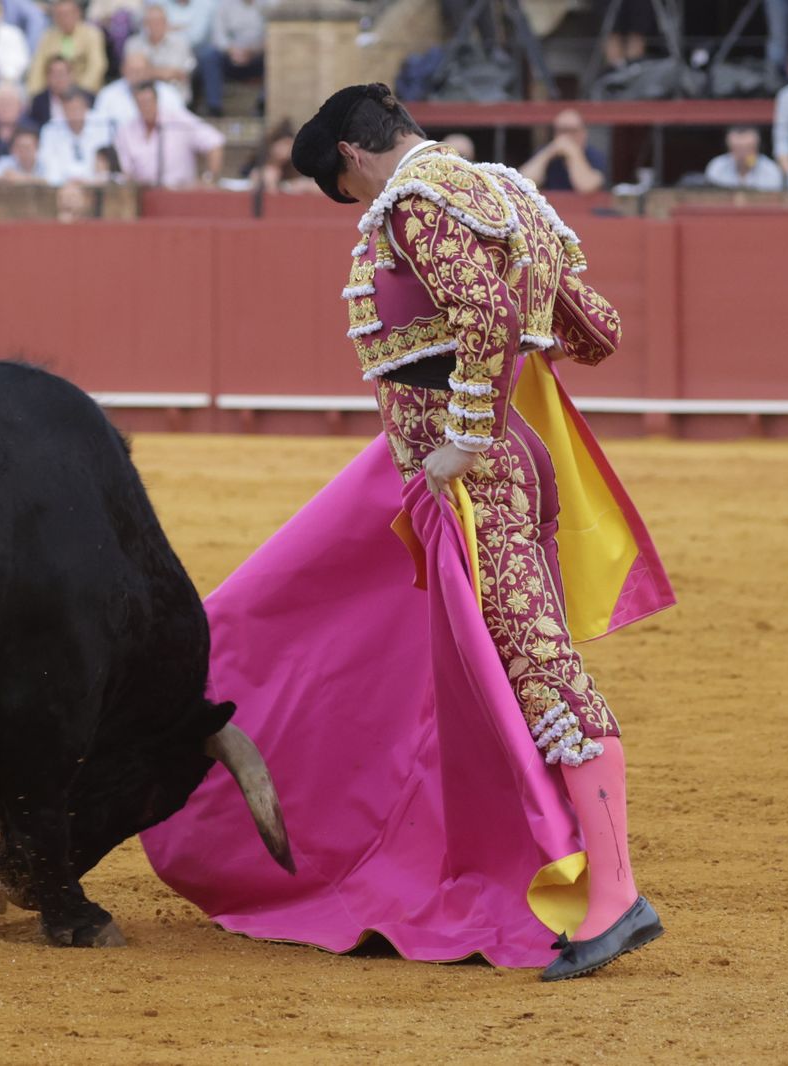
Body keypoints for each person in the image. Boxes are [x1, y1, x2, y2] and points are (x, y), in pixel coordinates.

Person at [155, 82, 669, 982]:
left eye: (342, 190)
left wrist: (465, 438)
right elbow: (595, 331)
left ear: (353, 156)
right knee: (518, 662)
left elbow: (487, 318)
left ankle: (617, 892)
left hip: (479, 479)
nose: (352, 207)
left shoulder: (415, 206)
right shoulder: (504, 192)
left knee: (539, 666)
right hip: (508, 461)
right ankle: (588, 875)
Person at [113, 77, 220, 186]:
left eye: (148, 101)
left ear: (156, 100)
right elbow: (127, 172)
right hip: (143, 193)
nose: (145, 107)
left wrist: (208, 179)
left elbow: (214, 141)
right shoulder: (126, 131)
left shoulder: (178, 120)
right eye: (141, 103)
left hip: (179, 192)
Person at [196, 0, 266, 117]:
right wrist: (232, 50)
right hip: (230, 57)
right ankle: (214, 108)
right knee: (209, 55)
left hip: (257, 56)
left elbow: (273, 36)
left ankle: (263, 105)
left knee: (275, 57)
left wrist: (253, 51)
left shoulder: (269, 5)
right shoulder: (225, 5)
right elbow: (218, 36)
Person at [25, 0, 104, 96]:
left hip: (83, 91)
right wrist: (35, 93)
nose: (63, 19)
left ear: (77, 14)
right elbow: (38, 66)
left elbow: (97, 66)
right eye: (59, 15)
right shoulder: (48, 36)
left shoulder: (92, 34)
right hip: (53, 92)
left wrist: (81, 92)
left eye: (67, 14)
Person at [518, 108, 606, 193]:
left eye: (573, 131)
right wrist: (548, 152)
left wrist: (573, 153)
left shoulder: (594, 155)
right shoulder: (545, 152)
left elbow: (587, 187)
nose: (567, 136)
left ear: (583, 133)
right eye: (562, 130)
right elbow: (522, 182)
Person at [125, 3, 192, 105]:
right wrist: (164, 72)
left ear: (166, 23)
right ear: (144, 24)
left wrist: (145, 71)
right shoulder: (133, 43)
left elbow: (179, 74)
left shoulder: (180, 42)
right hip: (140, 100)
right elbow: (130, 73)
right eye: (150, 22)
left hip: (175, 98)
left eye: (158, 22)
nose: (155, 26)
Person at [37, 86, 105, 184]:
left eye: (77, 108)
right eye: (69, 109)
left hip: (95, 186)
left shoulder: (101, 127)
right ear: (62, 109)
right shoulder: (50, 130)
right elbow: (48, 165)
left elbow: (104, 164)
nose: (74, 114)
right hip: (61, 188)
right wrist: (67, 182)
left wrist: (88, 180)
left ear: (86, 107)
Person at [704, 126, 783, 192]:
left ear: (756, 149)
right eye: (737, 149)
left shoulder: (771, 170)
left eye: (747, 149)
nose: (743, 154)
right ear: (729, 149)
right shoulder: (717, 167)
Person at [245, 117, 307, 193]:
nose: (287, 151)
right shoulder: (256, 162)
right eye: (284, 145)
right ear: (273, 144)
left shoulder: (292, 167)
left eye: (290, 147)